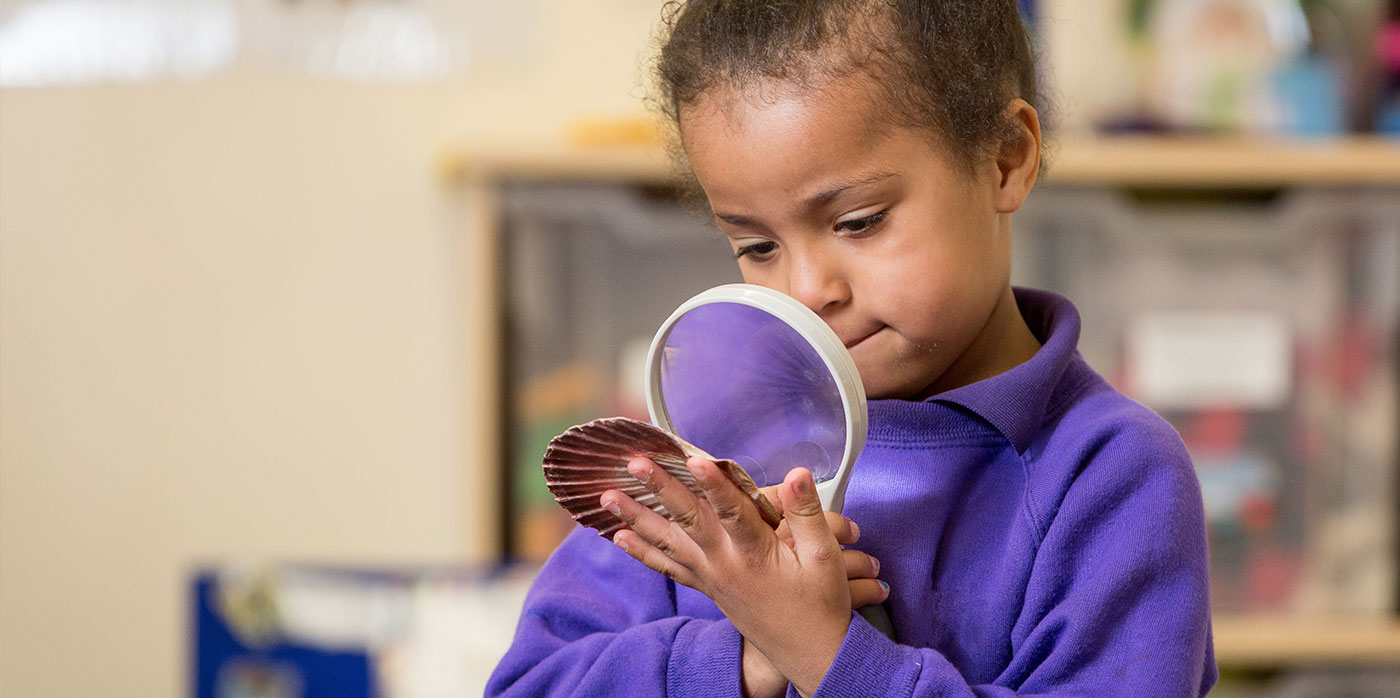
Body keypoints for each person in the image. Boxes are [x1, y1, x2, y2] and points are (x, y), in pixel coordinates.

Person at [487, 1, 1217, 696]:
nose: (806, 291)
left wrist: (820, 651)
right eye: (757, 245)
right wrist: (744, 660)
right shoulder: (706, 457)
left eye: (859, 221)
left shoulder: (1112, 476)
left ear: (1005, 159)